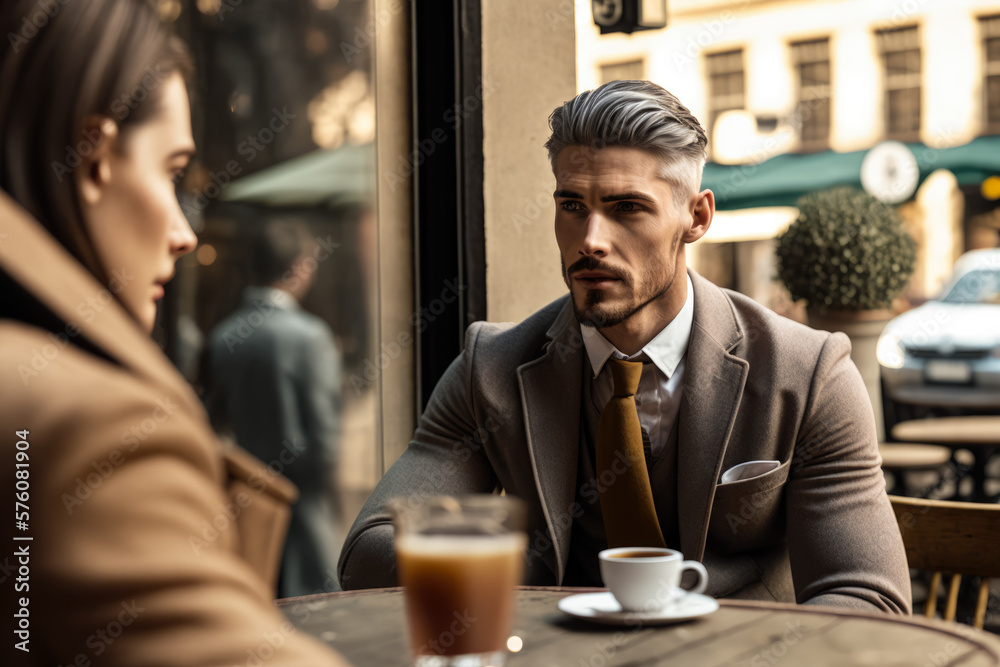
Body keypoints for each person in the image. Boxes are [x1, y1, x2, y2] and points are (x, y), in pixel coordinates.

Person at [339, 80, 912, 612]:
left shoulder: (808, 373)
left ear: (697, 216)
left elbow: (867, 597)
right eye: (572, 206)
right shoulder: (490, 368)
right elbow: (369, 551)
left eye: (626, 208)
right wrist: (527, 595)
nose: (590, 240)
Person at [0, 1, 348, 664]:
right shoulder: (93, 429)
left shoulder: (217, 340)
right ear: (95, 155)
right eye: (170, 172)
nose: (187, 233)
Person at [207, 220, 343, 598]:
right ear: (300, 268)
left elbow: (215, 425)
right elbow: (325, 443)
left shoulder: (222, 337)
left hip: (244, 518)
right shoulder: (310, 337)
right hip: (305, 518)